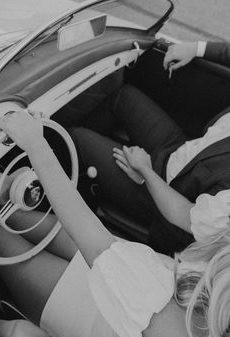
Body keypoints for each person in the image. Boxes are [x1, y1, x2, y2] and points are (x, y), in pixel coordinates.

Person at [0, 110, 230, 337]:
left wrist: (35, 143)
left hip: (91, 317)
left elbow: (93, 239)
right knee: (14, 216)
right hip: (140, 268)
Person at [69, 40, 230, 255]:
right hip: (180, 152)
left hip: (164, 196)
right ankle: (81, 172)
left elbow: (185, 216)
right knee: (123, 97)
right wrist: (196, 48)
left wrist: (146, 172)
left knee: (76, 138)